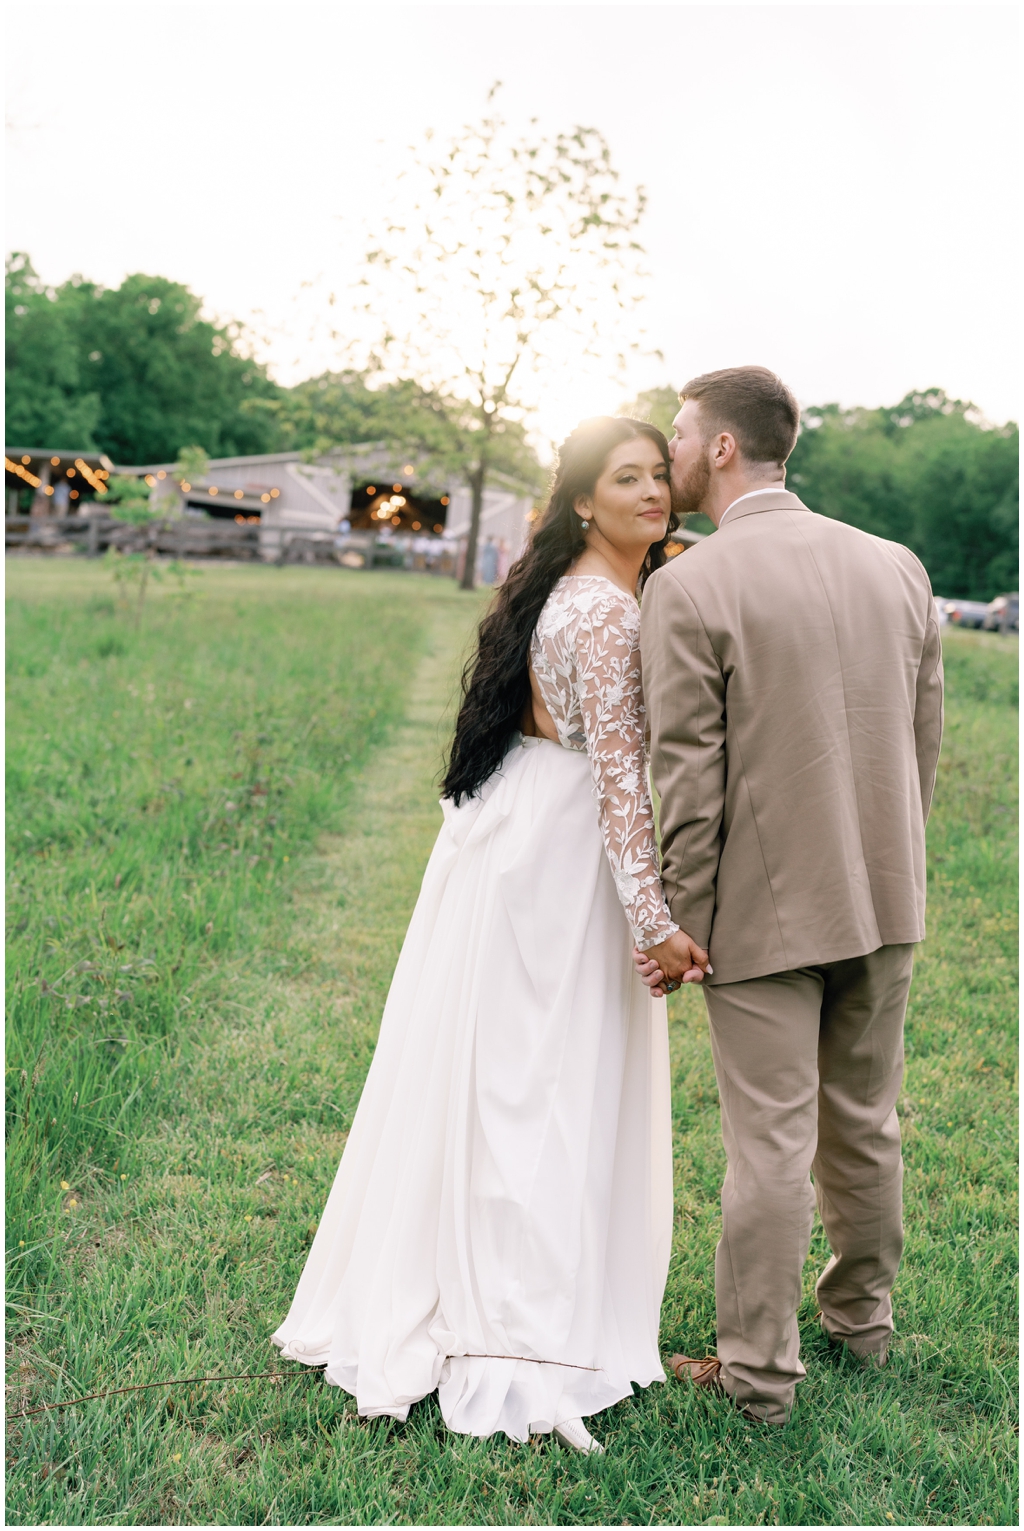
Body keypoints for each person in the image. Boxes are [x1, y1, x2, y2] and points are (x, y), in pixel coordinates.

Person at [273, 416, 705, 1451]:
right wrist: (658, 923)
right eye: (626, 478)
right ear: (583, 501)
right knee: (539, 1085)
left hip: (524, 831)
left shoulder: (581, 591)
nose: (651, 491)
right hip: (556, 861)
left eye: (659, 474)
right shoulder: (602, 613)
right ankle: (515, 1331)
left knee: (508, 1077)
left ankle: (497, 1290)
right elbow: (617, 785)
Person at [635, 365, 944, 1425]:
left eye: (679, 434)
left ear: (721, 448)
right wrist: (893, 860)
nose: (670, 452)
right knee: (864, 1122)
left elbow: (687, 772)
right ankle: (863, 1326)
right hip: (886, 896)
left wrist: (678, 918)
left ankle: (758, 1374)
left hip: (763, 918)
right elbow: (921, 746)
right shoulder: (897, 567)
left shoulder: (688, 585)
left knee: (769, 1139)